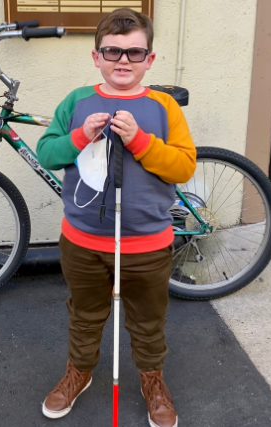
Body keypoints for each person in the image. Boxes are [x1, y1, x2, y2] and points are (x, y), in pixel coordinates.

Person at [33, 8, 197, 427]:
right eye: (112, 51)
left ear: (149, 59)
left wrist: (140, 140)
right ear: (96, 57)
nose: (123, 61)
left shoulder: (163, 106)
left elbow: (183, 167)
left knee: (147, 320)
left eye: (134, 53)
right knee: (85, 314)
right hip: (83, 241)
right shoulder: (77, 101)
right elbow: (47, 154)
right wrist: (79, 135)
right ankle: (80, 372)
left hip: (147, 244)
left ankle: (151, 380)